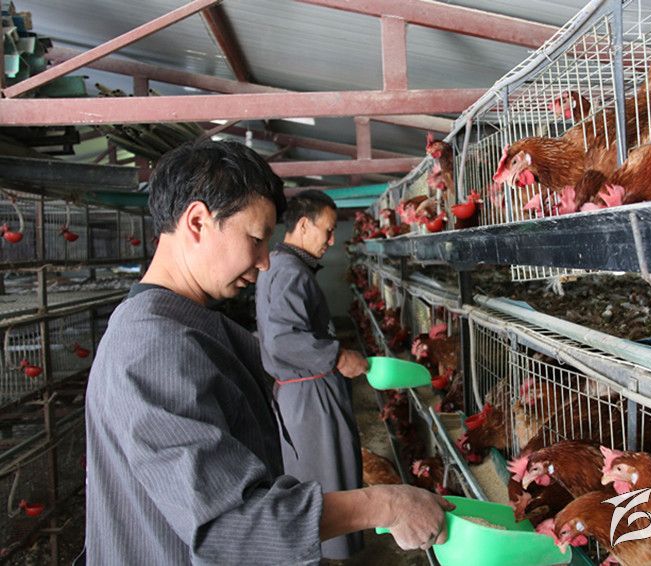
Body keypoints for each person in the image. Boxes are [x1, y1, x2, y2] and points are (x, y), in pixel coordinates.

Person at [84, 139, 451, 565]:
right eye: (257, 239)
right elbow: (233, 523)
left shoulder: (181, 325)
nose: (264, 262)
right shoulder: (152, 346)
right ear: (198, 222)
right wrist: (387, 504)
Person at [254, 190, 368, 559]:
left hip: (301, 390)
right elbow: (283, 339)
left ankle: (320, 550)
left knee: (318, 476)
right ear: (304, 225)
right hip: (309, 395)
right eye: (328, 230)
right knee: (326, 478)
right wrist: (338, 356)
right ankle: (325, 553)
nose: (332, 241)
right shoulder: (289, 271)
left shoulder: (282, 265)